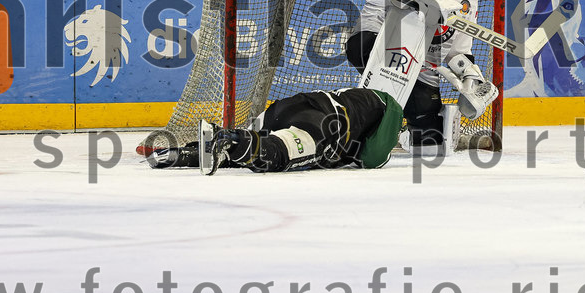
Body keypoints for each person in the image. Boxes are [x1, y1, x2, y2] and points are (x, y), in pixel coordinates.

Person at [345, 0, 487, 150]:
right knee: (366, 58)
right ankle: (381, 121)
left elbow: (459, 38)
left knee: (429, 139)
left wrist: (467, 71)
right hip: (377, 35)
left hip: (424, 58)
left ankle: (404, 132)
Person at [148, 88, 404, 173]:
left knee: (249, 149)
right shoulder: (392, 107)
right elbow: (374, 158)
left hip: (286, 108)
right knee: (276, 156)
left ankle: (182, 154)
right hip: (323, 123)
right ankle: (225, 138)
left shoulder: (361, 97)